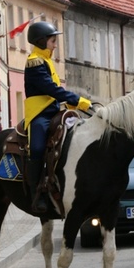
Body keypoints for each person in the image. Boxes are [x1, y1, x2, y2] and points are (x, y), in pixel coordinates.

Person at [24, 21, 91, 212]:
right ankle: (36, 193)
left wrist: (69, 103)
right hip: (39, 114)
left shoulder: (47, 60)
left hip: (54, 109)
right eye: (53, 41)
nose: (55, 45)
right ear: (41, 41)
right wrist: (78, 100)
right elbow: (50, 89)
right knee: (37, 148)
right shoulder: (34, 61)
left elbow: (56, 90)